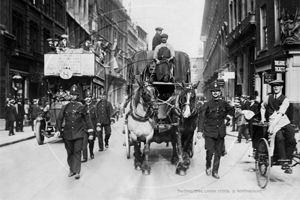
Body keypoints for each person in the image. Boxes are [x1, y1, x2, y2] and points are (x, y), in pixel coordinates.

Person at [55, 85, 94, 179]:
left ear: (77, 96)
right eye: (72, 94)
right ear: (70, 95)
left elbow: (88, 120)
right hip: (67, 134)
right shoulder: (65, 107)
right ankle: (71, 170)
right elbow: (59, 119)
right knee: (70, 153)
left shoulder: (81, 107)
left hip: (79, 133)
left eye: (75, 95)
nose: (73, 96)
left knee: (77, 151)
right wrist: (58, 130)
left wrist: (91, 133)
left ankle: (77, 171)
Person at [197, 81, 234, 179]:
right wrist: (200, 131)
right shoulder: (207, 104)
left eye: (217, 91)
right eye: (213, 91)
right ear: (211, 93)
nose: (215, 93)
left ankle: (215, 171)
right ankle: (208, 165)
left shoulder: (224, 103)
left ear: (220, 92)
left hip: (220, 132)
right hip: (209, 132)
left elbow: (232, 110)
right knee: (209, 151)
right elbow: (201, 118)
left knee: (218, 153)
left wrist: (227, 119)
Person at [260, 79, 296, 174]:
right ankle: (284, 161)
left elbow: (280, 115)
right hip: (273, 121)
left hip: (283, 121)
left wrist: (271, 127)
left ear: (281, 87)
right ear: (272, 87)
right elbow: (262, 107)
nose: (276, 87)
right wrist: (263, 117)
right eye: (274, 86)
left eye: (278, 86)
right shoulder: (268, 97)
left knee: (292, 138)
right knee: (279, 138)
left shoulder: (285, 99)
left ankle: (288, 160)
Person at [82, 90, 97, 162]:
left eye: (89, 97)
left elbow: (97, 117)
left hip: (92, 128)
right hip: (85, 128)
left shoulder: (94, 107)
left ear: (91, 98)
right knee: (84, 143)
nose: (88, 98)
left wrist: (97, 126)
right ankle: (85, 157)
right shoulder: (82, 107)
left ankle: (91, 152)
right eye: (86, 97)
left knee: (91, 142)